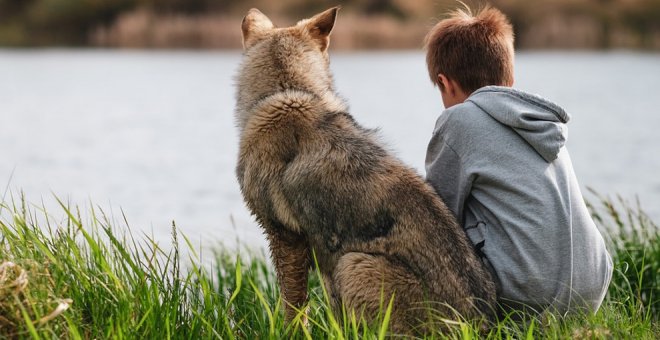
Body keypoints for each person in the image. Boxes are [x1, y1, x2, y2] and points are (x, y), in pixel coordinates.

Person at [423, 5, 612, 316]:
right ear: (508, 79)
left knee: (432, 216)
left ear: (445, 83)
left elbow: (436, 220)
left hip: (528, 297)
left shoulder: (459, 119)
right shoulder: (537, 121)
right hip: (591, 290)